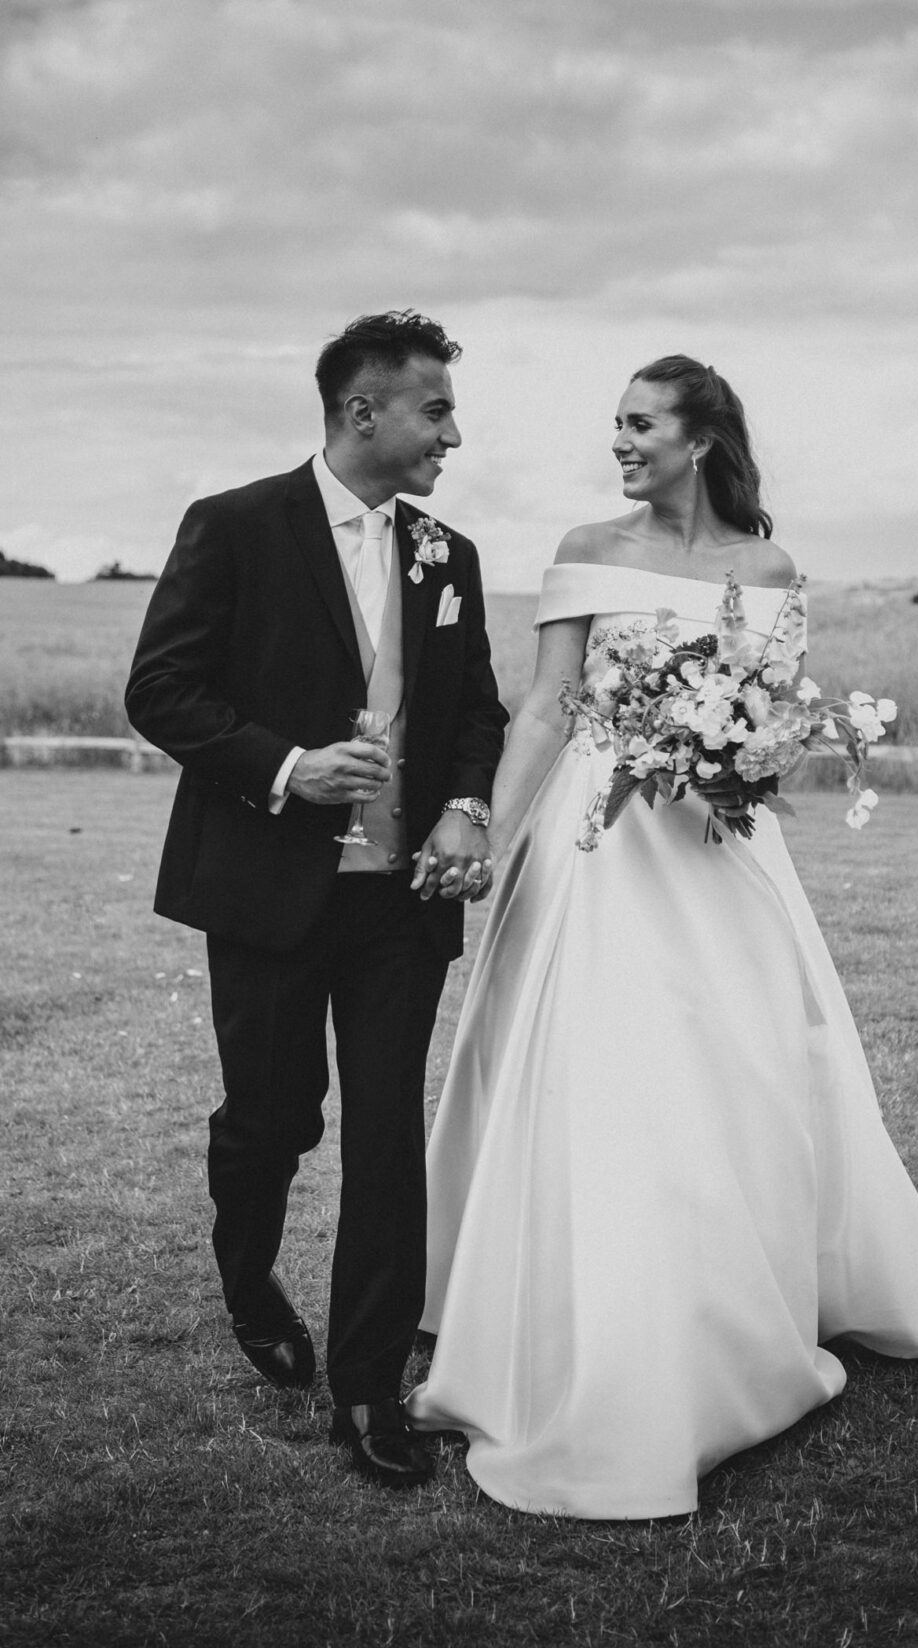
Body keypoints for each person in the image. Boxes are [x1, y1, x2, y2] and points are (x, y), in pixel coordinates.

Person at [406, 354, 918, 1518]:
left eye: (640, 424)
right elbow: (549, 705)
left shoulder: (767, 566)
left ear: (700, 440)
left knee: (735, 1061)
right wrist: (491, 841)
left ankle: (730, 1299)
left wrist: (741, 750)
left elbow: (781, 720)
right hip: (594, 849)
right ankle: (566, 1309)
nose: (619, 442)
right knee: (596, 1065)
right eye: (614, 423)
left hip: (716, 845)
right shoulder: (584, 547)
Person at [125, 310, 508, 1489]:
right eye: (434, 408)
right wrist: (289, 769)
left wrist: (464, 807)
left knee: (388, 1136)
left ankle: (366, 1389)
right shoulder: (236, 526)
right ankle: (248, 1277)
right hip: (267, 887)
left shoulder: (450, 553)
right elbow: (161, 690)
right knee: (271, 1120)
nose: (454, 429)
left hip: (398, 902)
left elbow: (478, 712)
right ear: (361, 413)